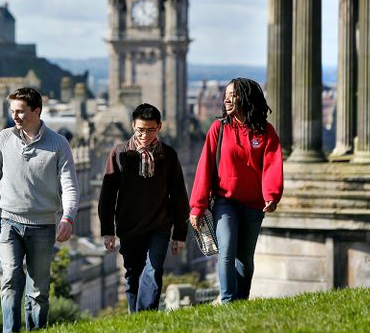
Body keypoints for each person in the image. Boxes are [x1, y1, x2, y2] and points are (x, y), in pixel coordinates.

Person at [0, 87, 79, 333]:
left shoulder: (58, 144)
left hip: (43, 225)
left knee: (38, 288)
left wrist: (68, 217)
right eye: (13, 111)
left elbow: (70, 186)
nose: (16, 116)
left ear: (37, 111)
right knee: (10, 278)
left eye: (21, 111)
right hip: (9, 221)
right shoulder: (3, 138)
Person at [189, 77, 283, 303]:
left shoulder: (265, 131)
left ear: (246, 98)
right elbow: (205, 167)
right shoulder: (218, 128)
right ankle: (228, 301)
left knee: (245, 259)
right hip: (225, 202)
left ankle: (242, 301)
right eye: (226, 95)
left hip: (253, 203)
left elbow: (272, 165)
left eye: (233, 95)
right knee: (226, 252)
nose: (227, 99)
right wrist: (197, 206)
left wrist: (271, 194)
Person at [98, 103, 190, 312]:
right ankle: (136, 319)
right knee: (133, 275)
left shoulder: (168, 155)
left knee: (154, 270)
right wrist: (107, 231)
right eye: (140, 130)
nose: (145, 135)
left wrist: (180, 234)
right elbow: (107, 195)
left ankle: (147, 316)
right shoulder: (120, 153)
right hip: (129, 226)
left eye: (150, 130)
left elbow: (178, 196)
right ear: (133, 126)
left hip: (159, 226)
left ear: (159, 127)